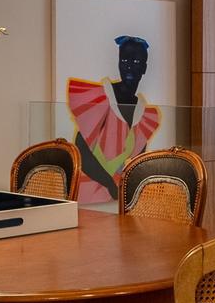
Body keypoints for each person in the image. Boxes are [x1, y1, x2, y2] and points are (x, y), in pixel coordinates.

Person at [67, 35, 163, 202]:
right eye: (124, 61)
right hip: (87, 196)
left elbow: (136, 162)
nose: (129, 68)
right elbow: (81, 152)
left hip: (118, 199)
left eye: (136, 63)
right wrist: (109, 183)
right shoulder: (101, 97)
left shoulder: (144, 113)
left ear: (144, 68)